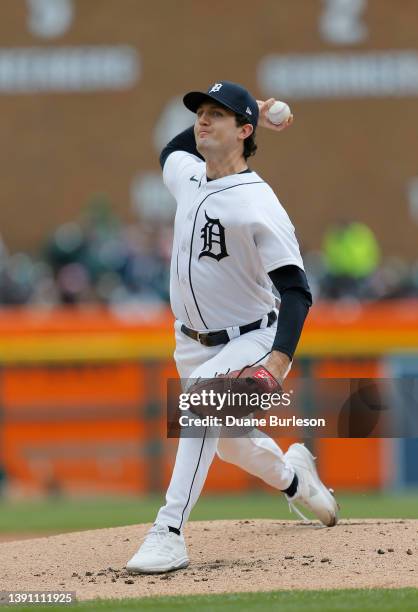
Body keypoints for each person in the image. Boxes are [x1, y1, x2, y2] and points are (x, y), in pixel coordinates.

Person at [126, 81, 339, 574]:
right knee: (230, 443)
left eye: (216, 114)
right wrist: (255, 109)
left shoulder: (258, 203)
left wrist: (278, 359)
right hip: (191, 342)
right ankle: (296, 479)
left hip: (251, 336)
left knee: (199, 403)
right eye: (200, 112)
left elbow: (297, 291)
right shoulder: (189, 177)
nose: (203, 120)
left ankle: (169, 531)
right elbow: (168, 151)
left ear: (244, 131)